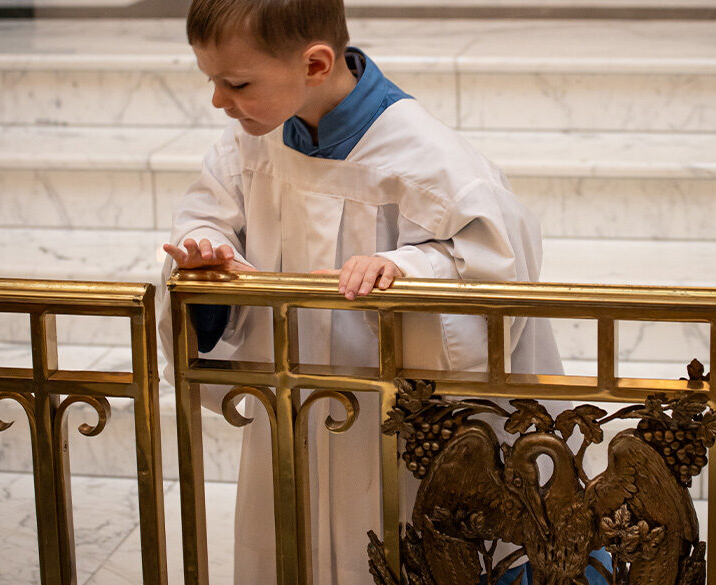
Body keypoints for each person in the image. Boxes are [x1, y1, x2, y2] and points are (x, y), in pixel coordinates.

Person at [157, 0, 608, 583]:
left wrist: (403, 269)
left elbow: (494, 268)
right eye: (213, 81)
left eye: (236, 82)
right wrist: (207, 255)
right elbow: (204, 218)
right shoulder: (247, 144)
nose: (218, 100)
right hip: (295, 403)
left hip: (397, 419)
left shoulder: (427, 157)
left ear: (315, 64)